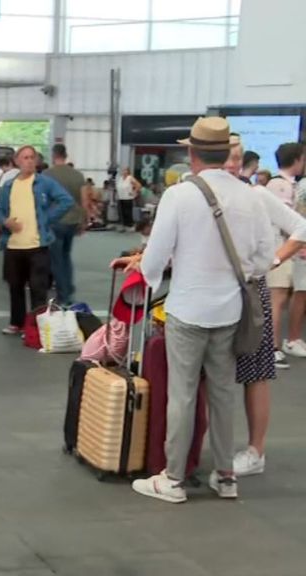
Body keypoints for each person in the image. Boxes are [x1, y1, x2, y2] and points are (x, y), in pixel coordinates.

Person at [122, 117, 272, 503]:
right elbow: (263, 257)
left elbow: (155, 257)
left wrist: (150, 274)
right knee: (223, 392)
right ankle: (226, 476)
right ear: (227, 154)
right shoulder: (250, 196)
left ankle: (173, 479)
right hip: (230, 311)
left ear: (191, 153)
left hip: (187, 309)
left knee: (183, 394)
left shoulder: (180, 196)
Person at [225, 140, 306, 478]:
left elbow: (301, 227)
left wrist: (274, 259)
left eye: (235, 158)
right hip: (210, 293)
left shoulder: (257, 195)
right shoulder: (194, 192)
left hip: (250, 291)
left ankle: (256, 450)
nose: (230, 164)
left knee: (255, 372)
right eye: (224, 157)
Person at [0, 146, 75, 335]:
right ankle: (17, 322)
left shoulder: (45, 183)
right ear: (17, 161)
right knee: (15, 286)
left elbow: (66, 201)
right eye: (25, 157)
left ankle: (37, 326)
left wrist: (47, 217)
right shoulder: (9, 186)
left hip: (38, 244)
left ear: (37, 161)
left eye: (32, 157)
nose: (29, 161)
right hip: (13, 245)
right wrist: (5, 221)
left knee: (39, 288)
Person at [265, 142, 305, 366]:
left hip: (284, 249)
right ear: (296, 159)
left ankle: (275, 346)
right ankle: (271, 347)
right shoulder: (279, 185)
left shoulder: (284, 184)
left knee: (279, 298)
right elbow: (285, 222)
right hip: (279, 248)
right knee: (276, 299)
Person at [44, 144, 87, 306]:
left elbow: (44, 200)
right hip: (73, 221)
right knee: (66, 257)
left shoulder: (47, 174)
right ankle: (69, 289)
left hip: (56, 221)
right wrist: (84, 220)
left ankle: (64, 295)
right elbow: (84, 200)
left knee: (56, 260)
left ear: (54, 155)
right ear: (66, 155)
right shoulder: (77, 175)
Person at [116, 167, 141, 231]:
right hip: (121, 197)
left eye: (125, 170)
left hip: (128, 198)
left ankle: (130, 225)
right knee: (122, 212)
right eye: (123, 170)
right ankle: (124, 225)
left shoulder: (130, 178)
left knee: (128, 212)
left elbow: (138, 185)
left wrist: (134, 192)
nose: (124, 172)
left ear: (128, 171)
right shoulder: (120, 178)